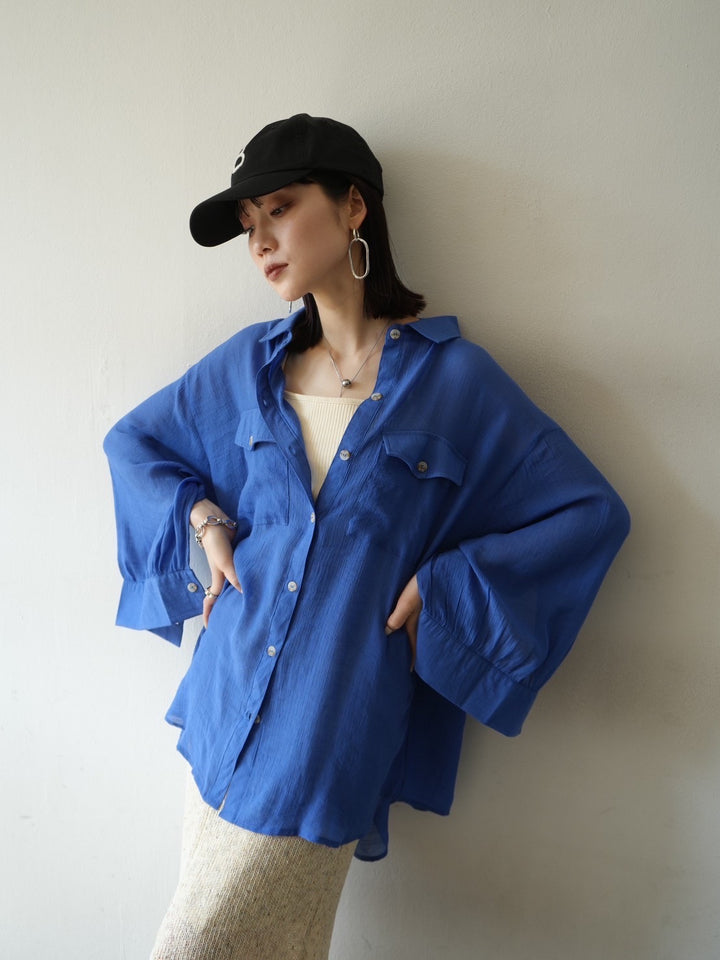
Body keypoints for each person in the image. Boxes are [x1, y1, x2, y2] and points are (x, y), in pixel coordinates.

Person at [104, 113, 630, 960]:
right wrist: (204, 520)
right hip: (223, 702)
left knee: (197, 944)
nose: (260, 240)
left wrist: (446, 586)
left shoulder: (456, 382)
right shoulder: (248, 367)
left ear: (354, 207)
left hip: (332, 720)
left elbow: (588, 513)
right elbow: (133, 443)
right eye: (249, 224)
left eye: (280, 208)